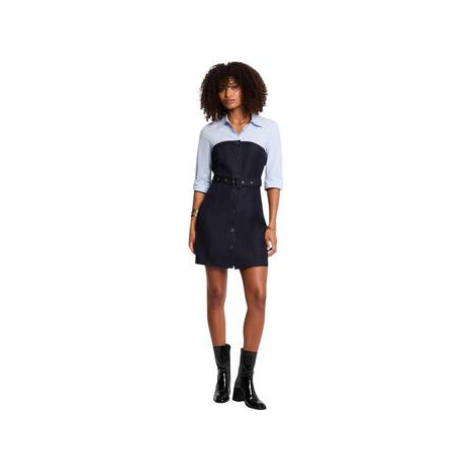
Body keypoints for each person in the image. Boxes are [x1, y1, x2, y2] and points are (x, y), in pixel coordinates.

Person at [188, 62, 283, 410]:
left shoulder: (268, 129)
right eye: (222, 88)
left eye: (234, 87)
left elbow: (274, 180)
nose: (227, 94)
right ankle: (223, 376)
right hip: (214, 214)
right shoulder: (209, 133)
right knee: (215, 294)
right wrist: (193, 220)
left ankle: (246, 380)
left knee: (258, 296)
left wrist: (272, 224)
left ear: (247, 89)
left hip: (251, 218)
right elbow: (202, 180)